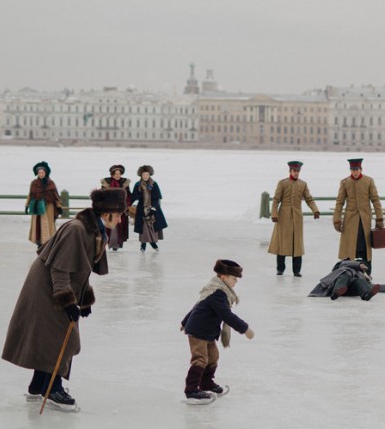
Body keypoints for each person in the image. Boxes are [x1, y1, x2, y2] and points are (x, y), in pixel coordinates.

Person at [2, 188, 127, 412]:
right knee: (62, 338)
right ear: (106, 213)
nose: (120, 219)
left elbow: (81, 268)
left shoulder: (95, 230)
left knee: (52, 336)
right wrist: (68, 302)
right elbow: (60, 269)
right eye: (118, 214)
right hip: (47, 286)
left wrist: (84, 297)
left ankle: (38, 385)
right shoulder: (77, 230)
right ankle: (52, 389)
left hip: (58, 284)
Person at [179, 259, 255, 403]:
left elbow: (198, 305)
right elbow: (226, 315)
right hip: (198, 330)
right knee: (200, 359)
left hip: (207, 331)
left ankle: (206, 383)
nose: (236, 282)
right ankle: (191, 391)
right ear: (223, 277)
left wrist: (184, 321)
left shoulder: (219, 290)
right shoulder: (217, 293)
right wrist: (245, 329)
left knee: (213, 357)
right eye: (234, 279)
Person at [268, 161, 320, 276]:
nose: (296, 173)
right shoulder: (282, 183)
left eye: (298, 171)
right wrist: (274, 214)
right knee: (282, 243)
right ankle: (280, 269)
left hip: (297, 217)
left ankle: (297, 270)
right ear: (290, 171)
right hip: (283, 217)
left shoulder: (303, 184)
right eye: (294, 171)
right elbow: (276, 200)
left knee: (297, 244)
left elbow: (309, 199)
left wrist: (315, 210)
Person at [332, 158, 384, 273]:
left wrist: (379, 218)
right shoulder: (345, 182)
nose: (355, 172)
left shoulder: (369, 181)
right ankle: (347, 273)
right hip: (350, 222)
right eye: (352, 170)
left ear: (361, 169)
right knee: (349, 250)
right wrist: (336, 219)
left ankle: (367, 274)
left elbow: (375, 200)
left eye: (356, 169)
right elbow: (339, 202)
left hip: (364, 221)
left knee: (365, 249)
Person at [307, 258, 385, 300]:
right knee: (345, 275)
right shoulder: (343, 267)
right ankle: (337, 292)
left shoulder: (360, 276)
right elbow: (343, 264)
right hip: (337, 284)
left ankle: (366, 295)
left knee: (361, 283)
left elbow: (377, 287)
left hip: (348, 290)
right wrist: (358, 265)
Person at [26, 161, 62, 249]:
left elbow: (56, 195)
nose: (41, 174)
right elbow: (30, 195)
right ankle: (39, 242)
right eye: (39, 173)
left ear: (45, 173)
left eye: (42, 173)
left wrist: (59, 206)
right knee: (37, 225)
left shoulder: (51, 183)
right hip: (36, 206)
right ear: (37, 173)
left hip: (48, 207)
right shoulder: (34, 183)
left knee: (48, 224)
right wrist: (26, 206)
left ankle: (48, 242)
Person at [132, 164, 167, 252]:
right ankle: (144, 246)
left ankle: (153, 244)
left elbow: (156, 198)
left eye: (147, 174)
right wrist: (139, 192)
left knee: (152, 228)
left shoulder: (154, 184)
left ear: (149, 175)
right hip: (141, 209)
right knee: (143, 228)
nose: (145, 176)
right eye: (144, 175)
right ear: (141, 175)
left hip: (153, 209)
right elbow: (134, 197)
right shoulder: (137, 185)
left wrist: (153, 208)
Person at [100, 164, 132, 251]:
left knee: (119, 227)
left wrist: (126, 205)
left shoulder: (124, 183)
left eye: (119, 173)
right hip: (110, 209)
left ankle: (116, 244)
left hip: (121, 209)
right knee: (109, 226)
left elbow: (128, 195)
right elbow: (102, 195)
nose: (117, 175)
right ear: (112, 174)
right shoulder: (107, 183)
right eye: (116, 174)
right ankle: (107, 243)